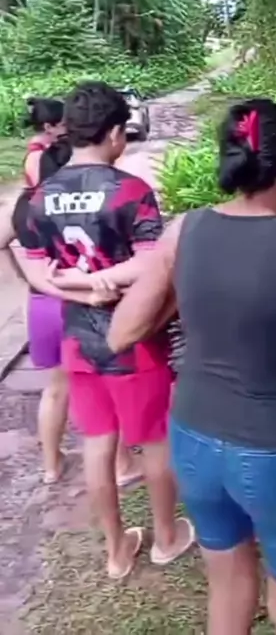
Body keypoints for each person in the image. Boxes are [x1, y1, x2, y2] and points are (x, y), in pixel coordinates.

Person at [107, 97, 276, 635]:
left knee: (227, 584)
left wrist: (183, 289)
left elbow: (121, 333)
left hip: (193, 440)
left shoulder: (184, 230)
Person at [20, 80, 193, 579]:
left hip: (78, 340)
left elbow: (39, 272)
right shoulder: (131, 191)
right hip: (135, 339)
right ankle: (165, 538)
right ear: (115, 132)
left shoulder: (40, 196)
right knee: (154, 440)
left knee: (97, 441)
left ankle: (116, 551)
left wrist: (79, 286)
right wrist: (105, 282)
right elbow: (151, 265)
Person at [1, 126, 141, 486]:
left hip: (41, 304)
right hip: (75, 305)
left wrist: (28, 277)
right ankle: (122, 465)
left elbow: (2, 242)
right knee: (100, 386)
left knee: (55, 389)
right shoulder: (86, 205)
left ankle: (51, 465)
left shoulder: (26, 205)